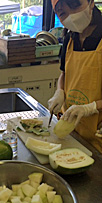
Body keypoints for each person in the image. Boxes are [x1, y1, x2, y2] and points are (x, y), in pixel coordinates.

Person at [48, 0, 102, 152]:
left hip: (98, 134)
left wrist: (90, 108)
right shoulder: (70, 39)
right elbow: (64, 73)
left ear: (91, 3)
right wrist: (60, 91)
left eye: (74, 6)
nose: (72, 16)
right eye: (63, 13)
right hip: (72, 131)